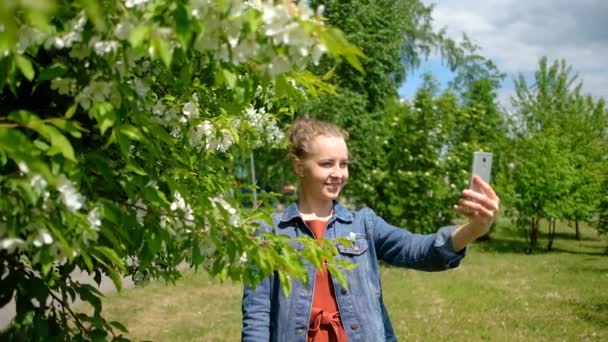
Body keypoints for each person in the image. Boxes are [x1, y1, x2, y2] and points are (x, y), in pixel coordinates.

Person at [241, 117, 500, 341]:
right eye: (327, 163)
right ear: (299, 167)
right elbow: (257, 313)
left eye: (343, 164)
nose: (338, 173)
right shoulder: (269, 231)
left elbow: (419, 250)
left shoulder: (364, 224)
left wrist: (475, 228)